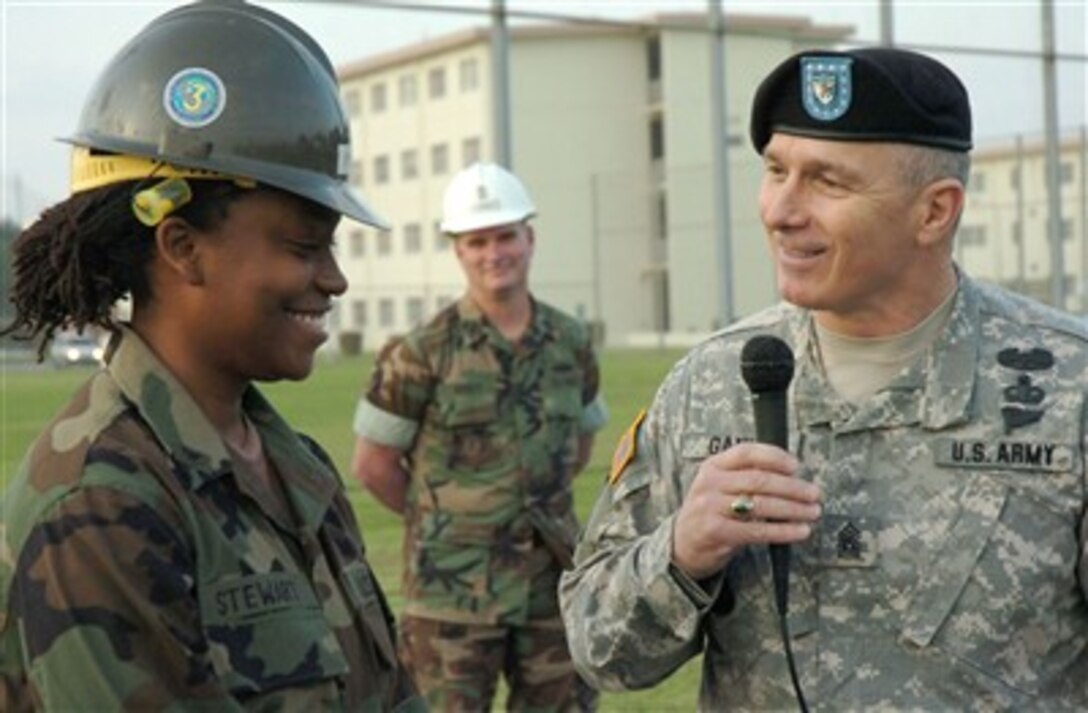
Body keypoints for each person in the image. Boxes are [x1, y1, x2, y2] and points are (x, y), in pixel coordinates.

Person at [560, 46, 1088, 710]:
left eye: (827, 182)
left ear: (935, 211)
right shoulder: (710, 384)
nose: (781, 209)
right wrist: (683, 549)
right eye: (775, 170)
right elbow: (598, 646)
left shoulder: (1069, 388)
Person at [0, 2, 421, 710]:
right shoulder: (100, 503)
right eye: (302, 245)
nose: (335, 278)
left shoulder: (298, 470)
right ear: (183, 249)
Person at [352, 162, 609, 711]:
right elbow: (374, 464)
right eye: (477, 241)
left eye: (505, 237)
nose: (494, 253)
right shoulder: (421, 351)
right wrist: (446, 520)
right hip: (452, 599)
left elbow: (581, 444)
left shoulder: (570, 341)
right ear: (458, 251)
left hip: (553, 590)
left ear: (529, 239)